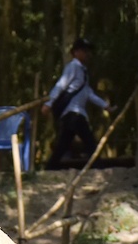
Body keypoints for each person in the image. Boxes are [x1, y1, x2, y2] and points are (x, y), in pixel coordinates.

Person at [43, 38, 109, 169]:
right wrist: (49, 103)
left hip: (75, 113)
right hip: (73, 113)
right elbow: (61, 85)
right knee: (89, 141)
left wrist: (105, 105)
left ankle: (50, 168)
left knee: (63, 144)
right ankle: (98, 167)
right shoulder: (73, 67)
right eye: (84, 51)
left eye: (88, 51)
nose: (87, 54)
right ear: (76, 52)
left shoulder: (83, 72)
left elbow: (88, 93)